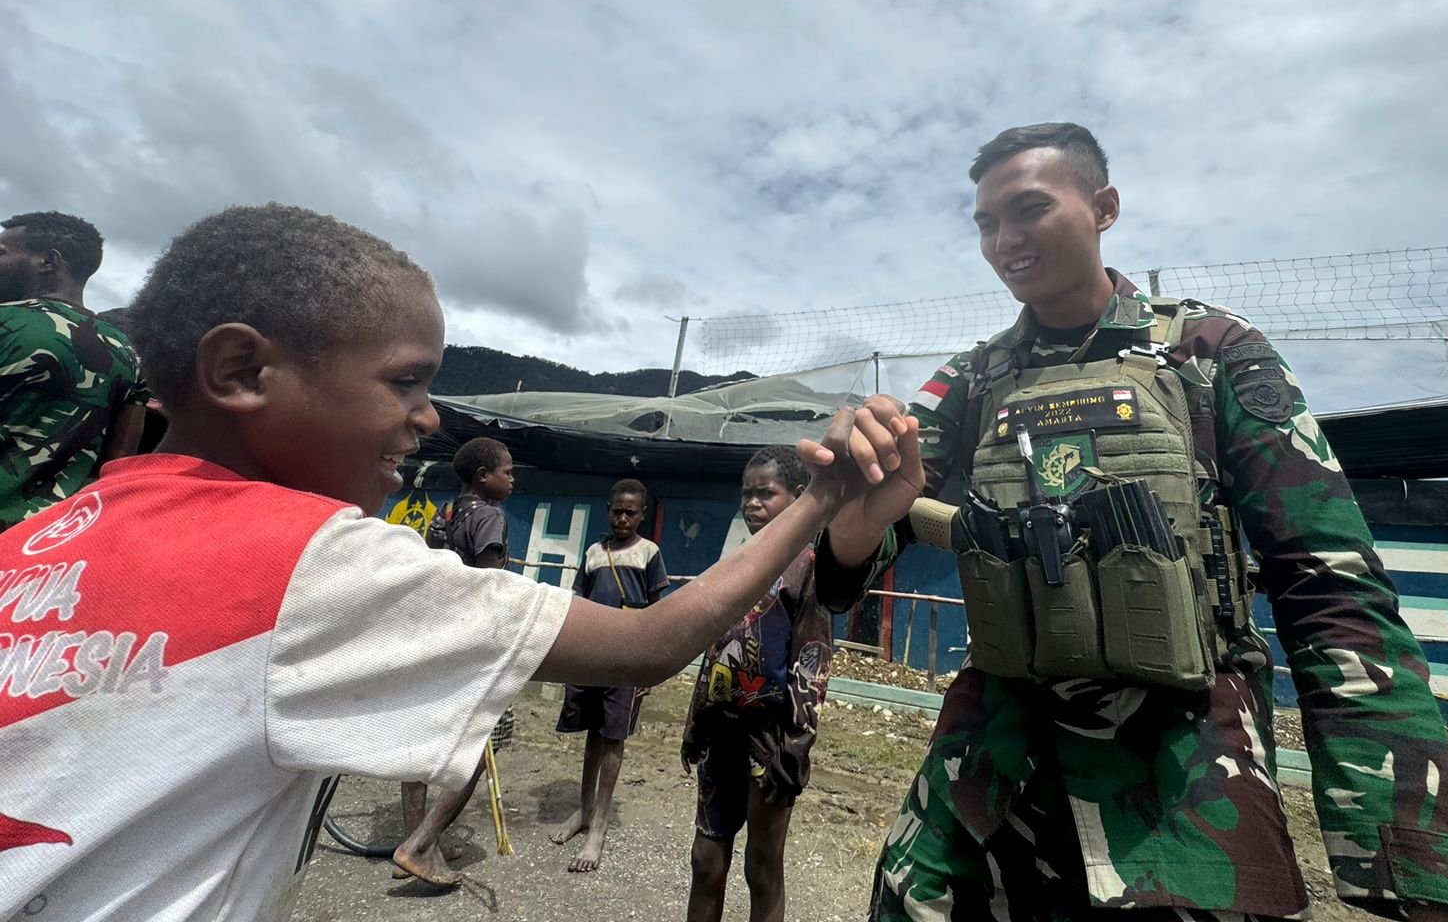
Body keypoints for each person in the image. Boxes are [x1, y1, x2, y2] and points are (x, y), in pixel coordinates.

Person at [0, 203, 924, 921]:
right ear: (242, 372)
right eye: (405, 380)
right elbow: (649, 643)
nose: (432, 415)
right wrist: (820, 498)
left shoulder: (39, 536)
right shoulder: (314, 562)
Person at [815, 124, 1448, 921]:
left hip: (1186, 792)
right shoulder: (972, 379)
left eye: (1029, 209)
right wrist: (854, 517)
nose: (1005, 239)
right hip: (987, 781)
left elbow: (1329, 583)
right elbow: (851, 570)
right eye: (985, 222)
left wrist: (1413, 851)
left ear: (1104, 207)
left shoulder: (1212, 352)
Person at [681, 445, 833, 922]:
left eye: (766, 494)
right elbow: (714, 650)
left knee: (761, 867)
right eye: (746, 494)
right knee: (705, 861)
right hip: (719, 729)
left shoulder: (810, 567)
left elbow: (813, 659)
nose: (752, 503)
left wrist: (798, 743)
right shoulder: (734, 562)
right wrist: (694, 721)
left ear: (798, 496)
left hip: (770, 739)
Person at [393, 436, 516, 883]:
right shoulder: (490, 518)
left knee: (421, 748)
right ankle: (420, 845)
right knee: (478, 749)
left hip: (434, 642)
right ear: (484, 477)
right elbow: (488, 588)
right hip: (472, 649)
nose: (512, 478)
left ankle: (417, 841)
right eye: (507, 471)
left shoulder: (444, 516)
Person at [548, 478, 669, 872]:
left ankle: (599, 826)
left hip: (626, 659)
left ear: (642, 515)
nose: (622, 518)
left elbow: (656, 613)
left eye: (630, 512)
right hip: (591, 657)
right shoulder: (594, 551)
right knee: (592, 736)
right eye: (616, 510)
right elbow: (579, 603)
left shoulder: (649, 553)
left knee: (614, 737)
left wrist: (650, 665)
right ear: (608, 509)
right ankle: (583, 811)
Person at [0, 211, 146, 530]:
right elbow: (117, 465)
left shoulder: (6, 323)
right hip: (43, 545)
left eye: (2, 252)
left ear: (48, 261)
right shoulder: (128, 353)